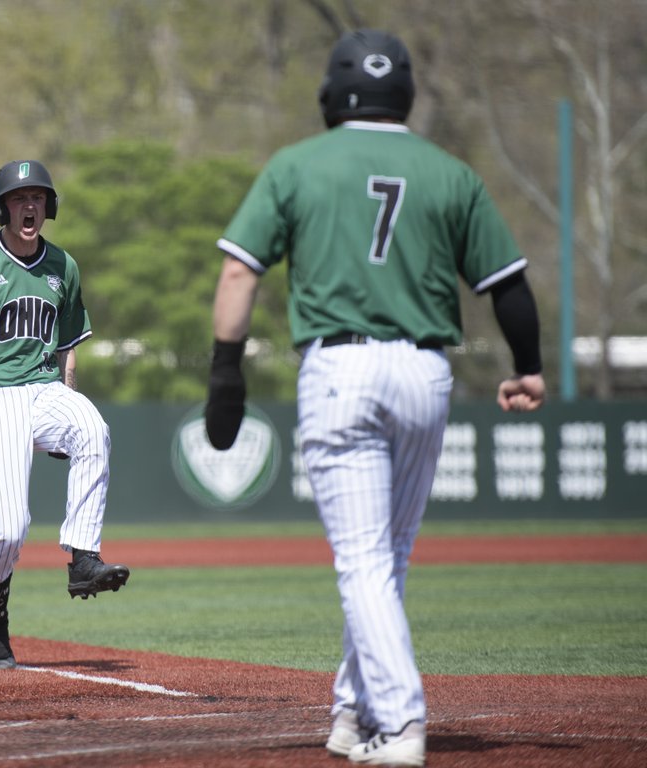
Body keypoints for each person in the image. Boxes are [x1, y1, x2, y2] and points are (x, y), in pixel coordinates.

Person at [204, 30, 545, 767]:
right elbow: (507, 285)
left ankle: (399, 725)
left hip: (342, 369)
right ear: (406, 95)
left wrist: (226, 372)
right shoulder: (448, 171)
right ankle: (353, 713)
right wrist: (531, 367)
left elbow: (238, 275)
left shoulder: (298, 164)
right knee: (386, 558)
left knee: (363, 561)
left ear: (333, 93)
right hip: (425, 372)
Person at [0, 159, 130, 670]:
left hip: (41, 388)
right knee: (11, 525)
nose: (30, 205)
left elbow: (67, 349)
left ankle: (83, 557)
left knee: (92, 427)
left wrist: (68, 411)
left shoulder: (64, 267)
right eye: (19, 198)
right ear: (3, 208)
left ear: (49, 206)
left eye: (38, 197)